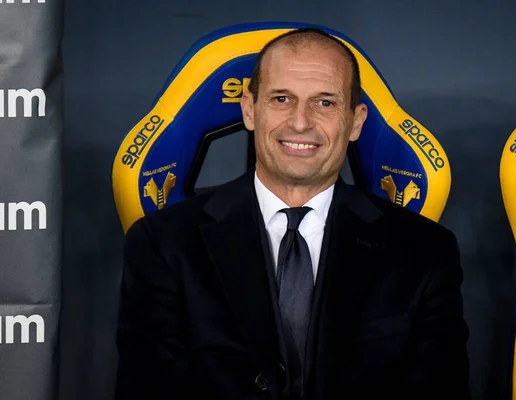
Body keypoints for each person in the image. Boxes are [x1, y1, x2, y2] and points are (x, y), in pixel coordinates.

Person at [115, 27, 470, 400]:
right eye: (282, 99)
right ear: (250, 110)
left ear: (357, 121)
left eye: (325, 103)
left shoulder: (425, 251)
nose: (301, 122)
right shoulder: (163, 243)